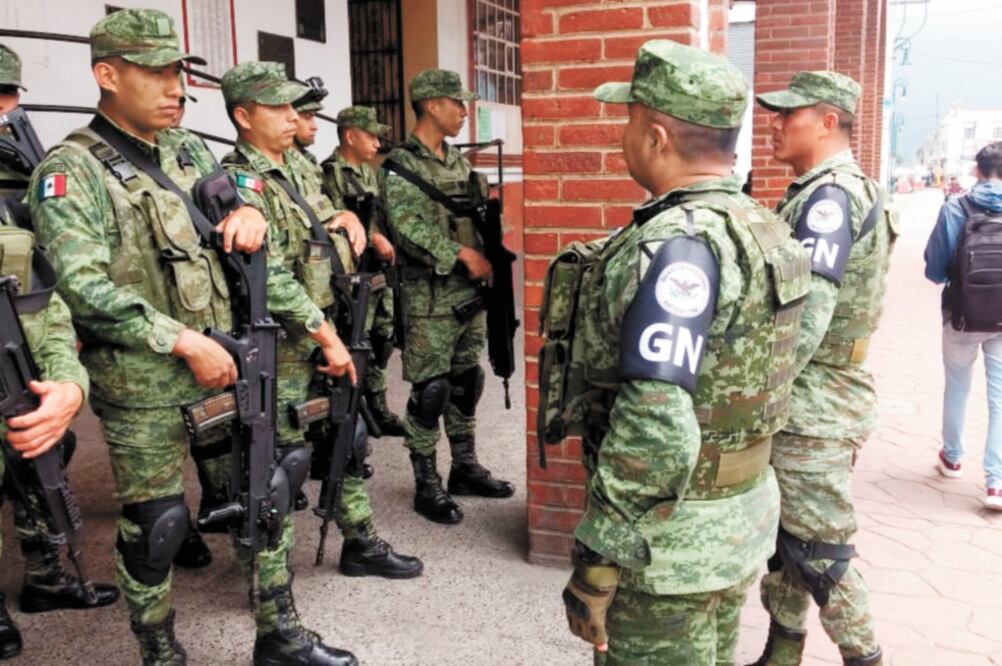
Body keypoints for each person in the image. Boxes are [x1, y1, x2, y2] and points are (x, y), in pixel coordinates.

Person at [29, 10, 358, 664]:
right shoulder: (70, 172)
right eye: (157, 74)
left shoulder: (189, 149)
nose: (176, 88)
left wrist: (244, 213)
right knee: (159, 527)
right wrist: (181, 341)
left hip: (227, 364)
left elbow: (227, 203)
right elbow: (80, 286)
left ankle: (280, 633)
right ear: (107, 74)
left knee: (266, 491)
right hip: (145, 384)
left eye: (179, 73)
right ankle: (159, 651)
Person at [552, 39, 809, 664]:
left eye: (630, 118)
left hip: (668, 547)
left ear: (657, 135)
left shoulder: (679, 247)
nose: (625, 134)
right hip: (738, 523)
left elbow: (656, 426)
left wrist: (598, 558)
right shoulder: (763, 224)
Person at [219, 60, 422, 579]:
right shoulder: (238, 182)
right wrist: (323, 334)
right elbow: (270, 277)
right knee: (280, 465)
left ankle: (360, 542)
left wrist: (348, 215)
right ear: (244, 116)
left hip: (327, 327)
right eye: (279, 107)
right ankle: (271, 580)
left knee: (345, 436)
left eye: (295, 107)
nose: (294, 117)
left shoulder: (301, 166)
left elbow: (323, 209)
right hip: (283, 345)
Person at [750, 71, 896, 665]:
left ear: (828, 121)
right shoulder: (824, 189)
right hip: (821, 393)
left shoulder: (829, 199)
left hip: (814, 404)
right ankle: (781, 653)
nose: (775, 124)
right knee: (790, 543)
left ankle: (866, 656)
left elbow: (807, 316)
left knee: (819, 551)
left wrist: (759, 394)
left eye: (790, 114)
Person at [0, 44, 120, 662]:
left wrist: (67, 380)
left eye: (4, 95)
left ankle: (46, 579)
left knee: (41, 450)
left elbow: (36, 296)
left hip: (14, 351)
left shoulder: (18, 177)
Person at [381, 69, 514, 525]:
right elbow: (408, 229)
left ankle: (464, 467)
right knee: (430, 391)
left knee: (465, 381)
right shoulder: (403, 165)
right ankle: (426, 483)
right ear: (433, 104)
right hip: (430, 296)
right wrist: (462, 254)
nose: (464, 111)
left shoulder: (456, 161)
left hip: (469, 294)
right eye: (458, 103)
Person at [924, 141, 1002, 510]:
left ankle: (952, 457)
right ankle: (996, 482)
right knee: (1000, 397)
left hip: (961, 313)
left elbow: (935, 267)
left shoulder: (957, 207)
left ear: (977, 171)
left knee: (957, 385)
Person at [322, 106, 406, 437]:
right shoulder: (331, 174)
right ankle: (352, 411)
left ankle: (378, 404)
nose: (377, 141)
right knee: (357, 338)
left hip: (379, 271)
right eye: (370, 135)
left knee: (382, 338)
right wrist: (373, 237)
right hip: (353, 272)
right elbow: (331, 218)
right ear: (350, 135)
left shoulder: (371, 172)